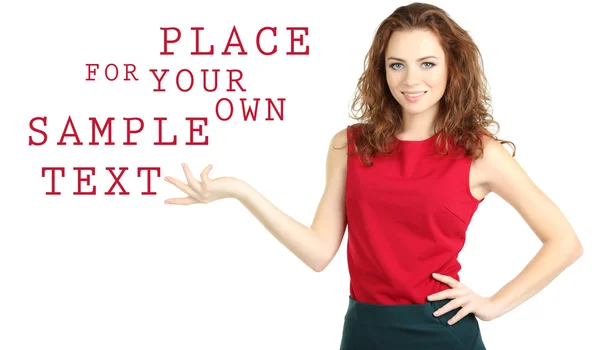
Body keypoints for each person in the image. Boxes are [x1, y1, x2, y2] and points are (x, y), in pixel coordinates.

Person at [163, 2, 583, 349]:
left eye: (427, 63)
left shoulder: (479, 153)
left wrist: (493, 304)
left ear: (453, 67)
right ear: (381, 70)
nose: (411, 80)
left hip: (441, 332)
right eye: (397, 64)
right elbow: (317, 252)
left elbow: (565, 242)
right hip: (364, 331)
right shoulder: (349, 145)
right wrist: (241, 191)